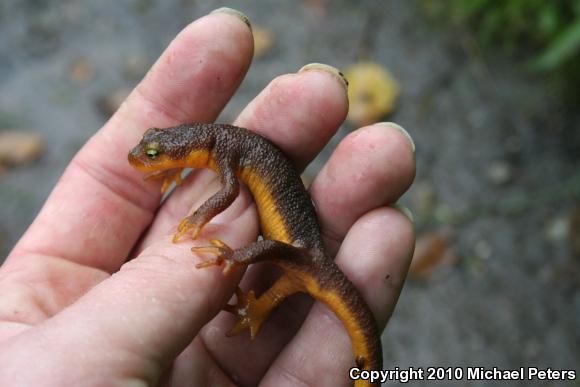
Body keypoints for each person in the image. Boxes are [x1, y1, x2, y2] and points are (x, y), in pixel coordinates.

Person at [0, 7, 415, 386]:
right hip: (297, 268)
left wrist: (209, 230)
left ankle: (237, 261)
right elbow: (202, 169)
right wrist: (171, 166)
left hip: (301, 253)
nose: (147, 159)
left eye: (155, 155)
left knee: (279, 261)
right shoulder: (208, 147)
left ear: (192, 150)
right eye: (152, 152)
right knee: (285, 289)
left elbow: (231, 190)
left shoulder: (225, 149)